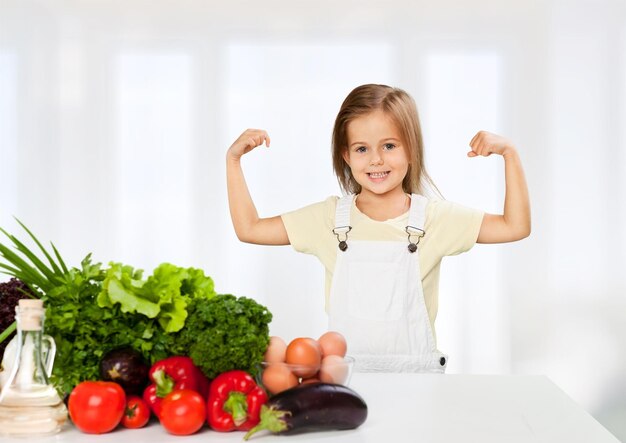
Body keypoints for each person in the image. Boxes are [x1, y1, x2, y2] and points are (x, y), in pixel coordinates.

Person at [226, 84, 530, 373]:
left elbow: (514, 227)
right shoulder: (328, 219)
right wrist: (233, 160)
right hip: (347, 382)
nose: (376, 160)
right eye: (361, 149)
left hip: (418, 385)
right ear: (345, 155)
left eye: (389, 145)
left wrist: (510, 154)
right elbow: (250, 229)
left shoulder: (435, 219)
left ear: (411, 150)